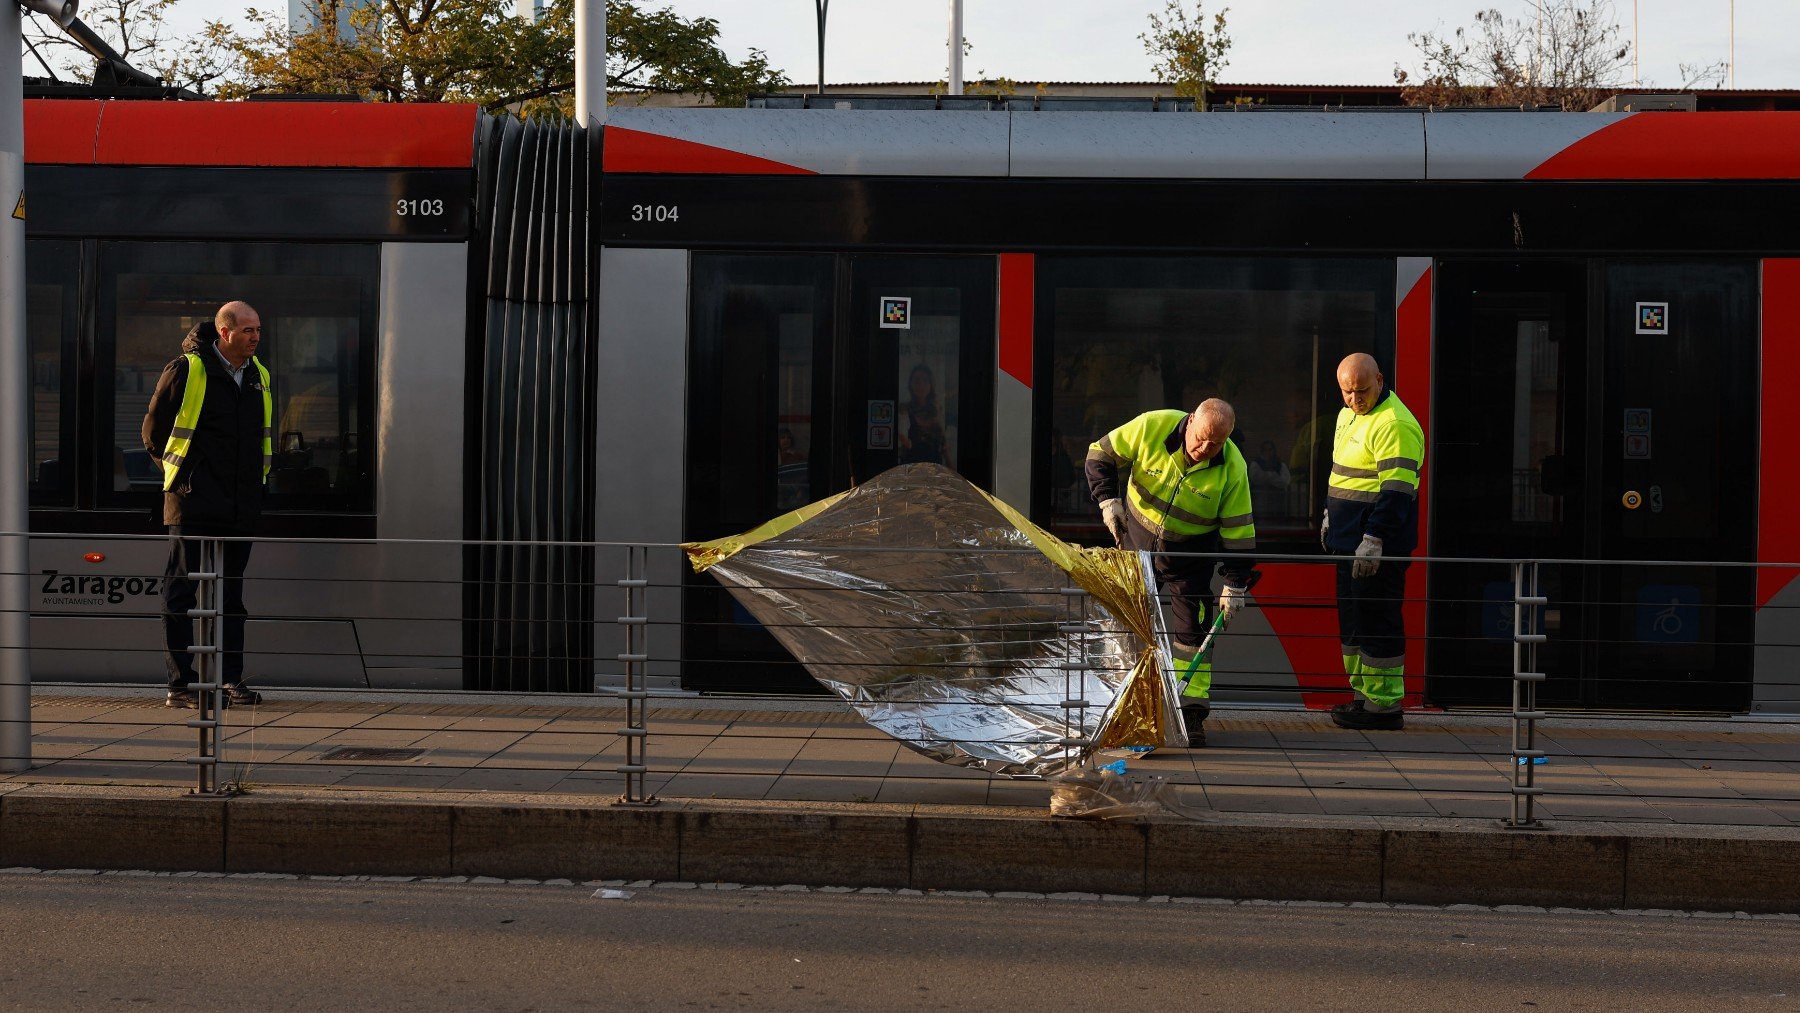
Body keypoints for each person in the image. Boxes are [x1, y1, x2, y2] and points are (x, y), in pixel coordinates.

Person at [1086, 398, 1257, 748]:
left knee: (1191, 636)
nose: (1206, 449)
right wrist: (1107, 500)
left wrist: (1235, 584)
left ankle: (1189, 713)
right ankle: (1118, 708)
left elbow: (1239, 532)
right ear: (1190, 420)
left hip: (1190, 561)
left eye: (1217, 443)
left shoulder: (1233, 468)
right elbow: (1098, 454)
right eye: (1202, 438)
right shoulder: (1153, 426)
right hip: (1135, 546)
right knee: (1123, 626)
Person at [143, 301, 273, 710]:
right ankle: (180, 685)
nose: (255, 336)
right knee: (181, 591)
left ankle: (232, 681)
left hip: (241, 503)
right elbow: (153, 431)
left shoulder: (259, 375)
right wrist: (185, 478)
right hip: (193, 502)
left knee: (232, 598)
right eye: (247, 330)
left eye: (257, 330)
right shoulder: (187, 369)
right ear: (224, 332)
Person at [1322, 353, 1424, 731]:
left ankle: (1384, 706)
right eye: (1347, 392)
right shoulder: (1347, 415)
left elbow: (1396, 492)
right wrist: (1330, 514)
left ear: (1379, 380)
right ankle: (1364, 696)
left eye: (1362, 391)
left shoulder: (1395, 424)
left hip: (1376, 547)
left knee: (1377, 618)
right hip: (1348, 543)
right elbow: (1342, 473)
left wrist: (1374, 537)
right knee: (1354, 621)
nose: (1354, 399)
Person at [898, 363, 951, 468]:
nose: (921, 385)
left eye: (925, 380)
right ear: (911, 384)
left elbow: (943, 440)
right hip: (911, 468)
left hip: (934, 469)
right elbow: (901, 438)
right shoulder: (904, 409)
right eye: (917, 380)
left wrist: (951, 466)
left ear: (931, 384)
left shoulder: (936, 409)